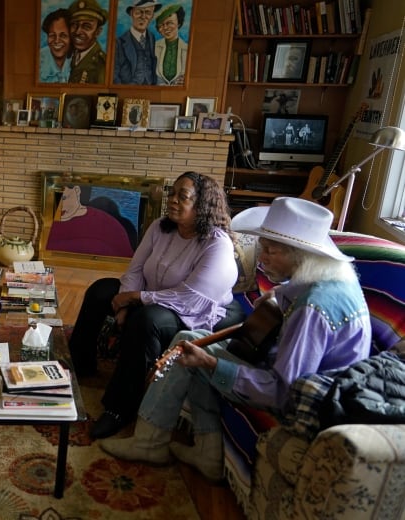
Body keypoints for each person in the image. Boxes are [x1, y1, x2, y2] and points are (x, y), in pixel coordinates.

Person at [100, 197, 371, 482]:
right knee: (191, 339)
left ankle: (148, 443)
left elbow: (282, 391)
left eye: (271, 251)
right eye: (262, 248)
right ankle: (207, 453)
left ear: (302, 256)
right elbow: (293, 302)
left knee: (189, 351)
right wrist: (277, 296)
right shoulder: (330, 279)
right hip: (298, 379)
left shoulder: (313, 309)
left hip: (310, 402)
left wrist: (213, 364)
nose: (262, 258)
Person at [69, 172, 245, 439]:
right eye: (171, 193)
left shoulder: (216, 245)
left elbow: (190, 298)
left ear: (203, 204)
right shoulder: (160, 227)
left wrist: (135, 299)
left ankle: (120, 408)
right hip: (151, 296)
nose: (173, 200)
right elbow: (135, 269)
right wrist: (126, 301)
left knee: (146, 320)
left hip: (195, 312)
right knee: (99, 291)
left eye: (182, 196)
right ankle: (78, 366)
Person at [113, 1, 161, 85]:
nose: (143, 17)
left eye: (148, 13)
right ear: (131, 13)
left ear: (152, 16)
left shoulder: (152, 38)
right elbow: (114, 75)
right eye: (138, 12)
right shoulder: (119, 42)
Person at [67, 0, 108, 84]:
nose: (78, 31)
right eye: (74, 25)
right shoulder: (69, 56)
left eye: (86, 26)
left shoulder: (102, 65)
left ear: (97, 32)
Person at [154, 4, 188, 86]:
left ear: (179, 24)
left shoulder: (187, 50)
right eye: (161, 25)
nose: (165, 28)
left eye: (169, 23)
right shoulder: (153, 47)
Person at [39, 8, 73, 83]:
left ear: (71, 37)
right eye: (52, 35)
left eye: (63, 35)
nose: (57, 41)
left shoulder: (79, 59)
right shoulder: (38, 60)